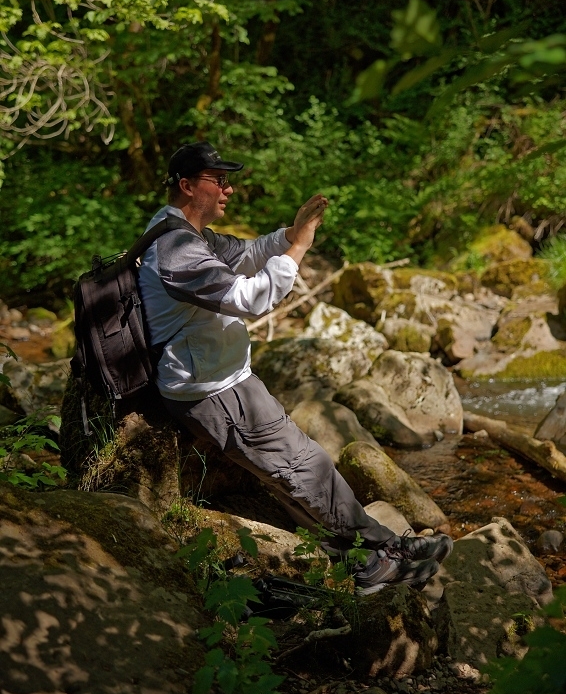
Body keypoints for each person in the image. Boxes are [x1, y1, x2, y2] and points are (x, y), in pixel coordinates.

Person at [138, 141, 453, 594]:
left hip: (220, 378)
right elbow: (250, 299)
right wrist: (300, 248)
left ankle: (378, 550)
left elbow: (247, 254)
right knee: (305, 465)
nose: (229, 189)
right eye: (218, 180)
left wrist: (291, 233)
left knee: (294, 470)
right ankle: (374, 560)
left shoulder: (187, 233)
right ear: (187, 186)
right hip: (212, 391)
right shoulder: (176, 246)